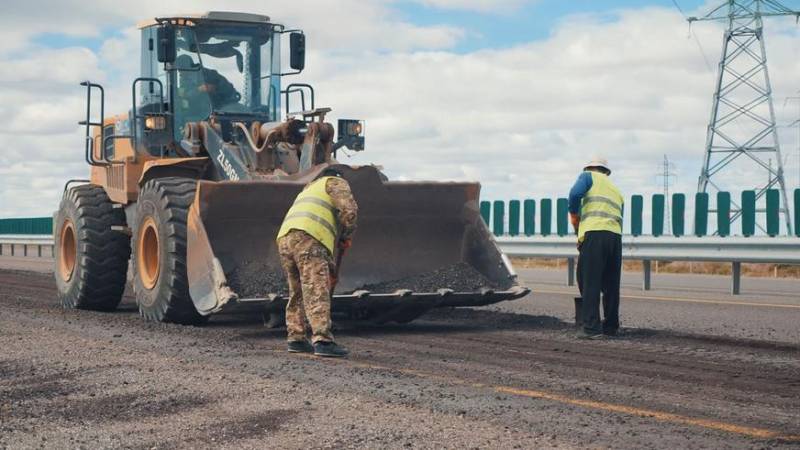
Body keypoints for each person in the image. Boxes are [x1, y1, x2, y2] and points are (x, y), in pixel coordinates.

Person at [276, 167, 358, 357]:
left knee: (297, 290)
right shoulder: (335, 182)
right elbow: (349, 211)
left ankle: (296, 338)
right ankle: (323, 340)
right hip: (310, 237)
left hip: (285, 238)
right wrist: (347, 234)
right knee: (316, 287)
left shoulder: (309, 188)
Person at [568, 157, 624, 339]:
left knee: (588, 280)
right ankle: (611, 326)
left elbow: (575, 194)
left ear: (590, 167)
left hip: (595, 233)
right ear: (606, 171)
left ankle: (591, 328)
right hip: (615, 237)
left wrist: (575, 216)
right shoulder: (615, 189)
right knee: (611, 284)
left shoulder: (587, 176)